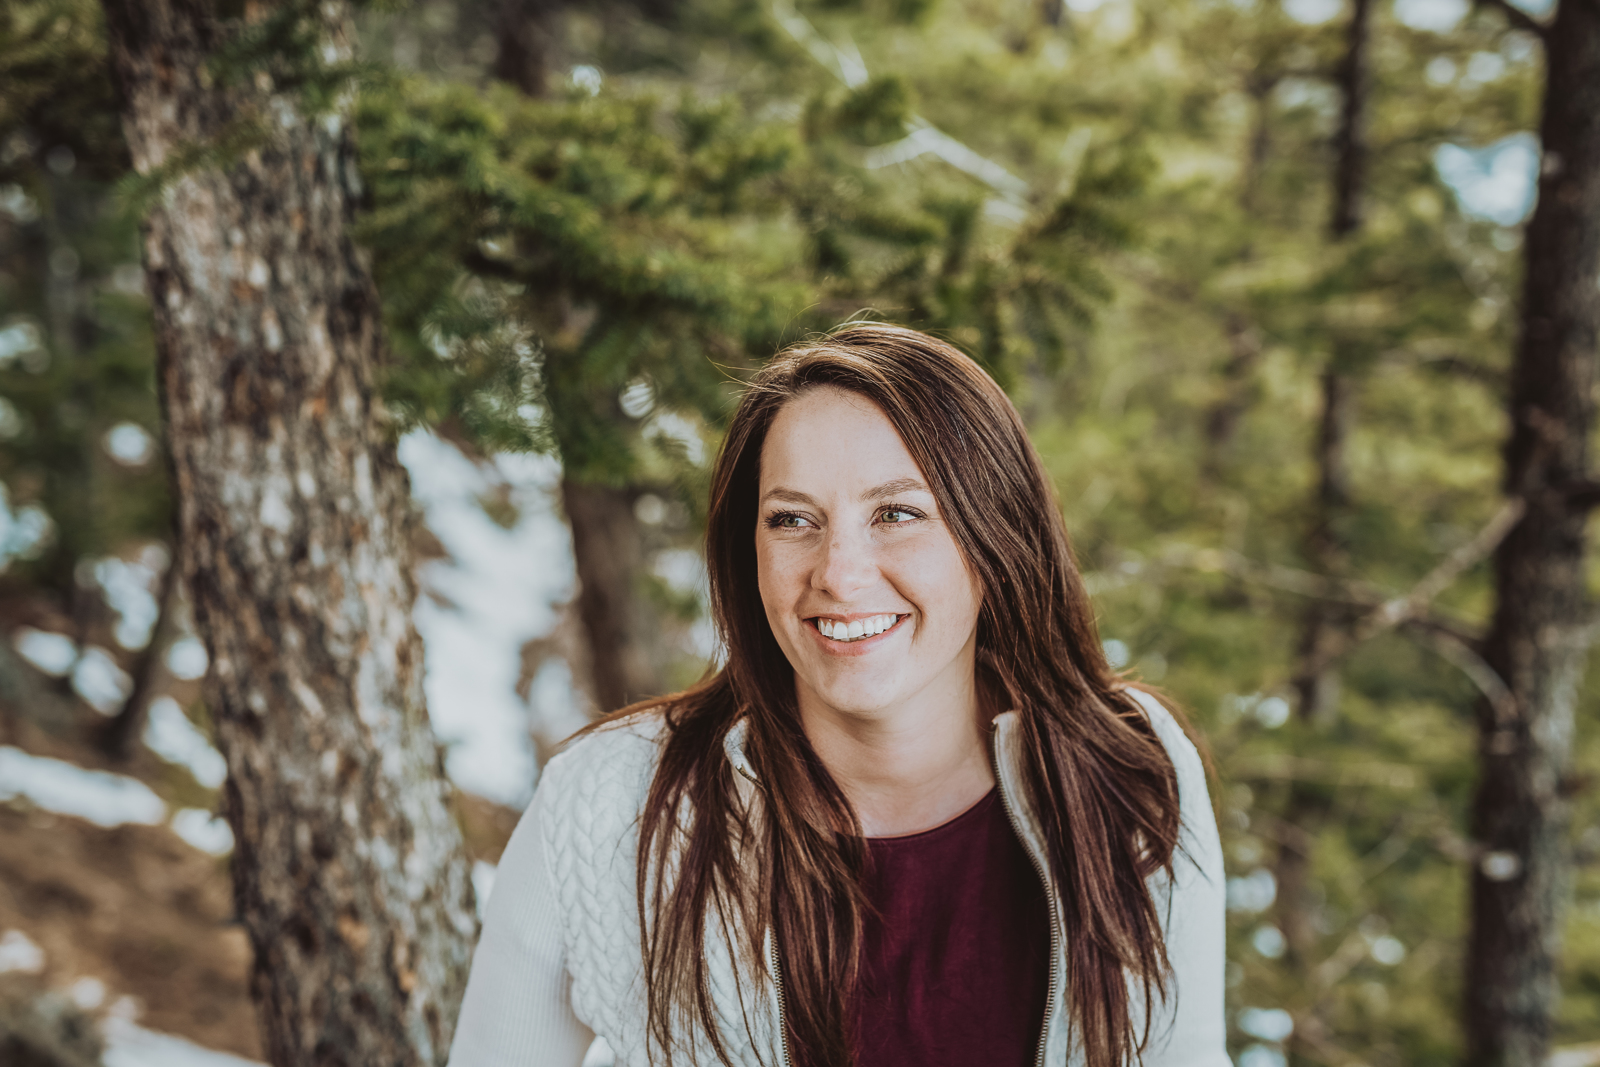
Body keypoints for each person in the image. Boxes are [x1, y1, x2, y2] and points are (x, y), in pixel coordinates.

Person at [447, 323, 1228, 1067]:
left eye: (897, 513)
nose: (840, 573)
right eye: (792, 520)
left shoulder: (1126, 769)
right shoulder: (609, 802)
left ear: (993, 535)